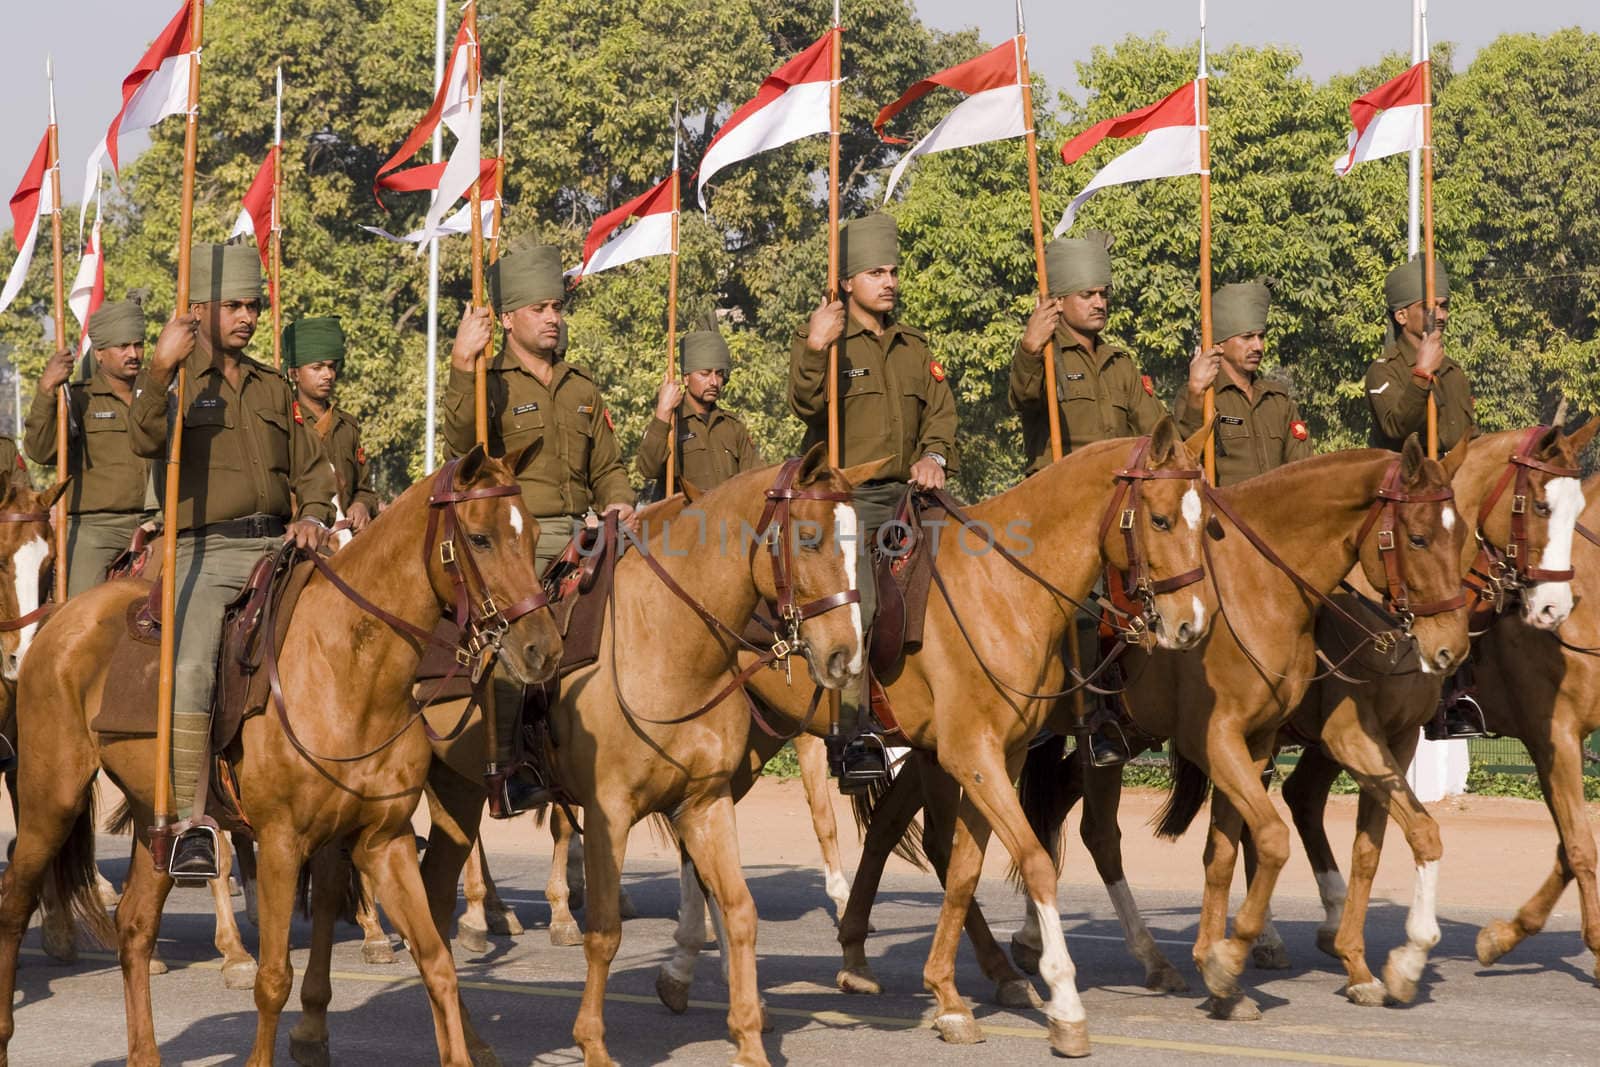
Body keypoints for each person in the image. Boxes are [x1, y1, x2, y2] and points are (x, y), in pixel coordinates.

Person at [128, 242, 335, 876]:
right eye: (234, 305)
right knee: (191, 668)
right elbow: (143, 439)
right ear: (198, 310)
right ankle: (188, 819)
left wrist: (314, 515)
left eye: (254, 305)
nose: (248, 316)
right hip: (206, 550)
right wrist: (160, 371)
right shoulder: (177, 381)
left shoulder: (275, 385)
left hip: (278, 543)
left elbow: (314, 472)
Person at [444, 237, 633, 817]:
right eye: (538, 309)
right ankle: (512, 762)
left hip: (590, 528)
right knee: (522, 628)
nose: (552, 317)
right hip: (523, 533)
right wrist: (459, 366)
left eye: (556, 307)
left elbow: (609, 466)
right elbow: (459, 450)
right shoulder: (486, 381)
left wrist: (620, 502)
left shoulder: (581, 386)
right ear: (505, 319)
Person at [789, 212, 957, 790]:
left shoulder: (915, 347)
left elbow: (940, 412)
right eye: (875, 273)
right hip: (848, 500)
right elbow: (805, 404)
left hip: (914, 494)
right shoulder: (827, 341)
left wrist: (934, 453)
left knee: (975, 570)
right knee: (857, 599)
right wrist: (815, 345)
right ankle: (854, 732)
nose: (889, 282)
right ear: (847, 282)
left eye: (892, 271)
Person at [1365, 257, 1483, 738]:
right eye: (1430, 305)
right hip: (1400, 504)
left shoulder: (1454, 373)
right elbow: (1394, 426)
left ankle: (1464, 693)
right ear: (1401, 315)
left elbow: (1466, 437)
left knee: (1489, 577)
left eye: (1445, 305)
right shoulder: (1383, 370)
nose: (1441, 313)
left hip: (1448, 501)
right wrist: (1420, 375)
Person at [24, 294, 156, 596]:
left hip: (160, 521)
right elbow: (41, 450)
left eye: (138, 344)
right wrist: (47, 389)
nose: (133, 353)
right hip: (98, 529)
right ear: (99, 353)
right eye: (123, 346)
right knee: (80, 612)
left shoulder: (157, 393)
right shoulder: (79, 399)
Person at [1009, 231, 1166, 473]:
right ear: (1058, 301)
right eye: (1087, 295)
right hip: (1060, 491)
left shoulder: (1119, 364)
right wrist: (1030, 349)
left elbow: (1157, 433)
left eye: (1104, 294)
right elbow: (1024, 399)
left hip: (1117, 491)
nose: (1099, 303)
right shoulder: (1047, 355)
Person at [1175, 277, 1312, 485]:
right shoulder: (1202, 396)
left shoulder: (1277, 400)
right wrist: (1196, 394)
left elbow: (1303, 466)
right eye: (1247, 337)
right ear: (1220, 344)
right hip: (1224, 514)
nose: (1258, 346)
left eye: (1261, 337)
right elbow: (1186, 458)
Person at [635, 313, 762, 492]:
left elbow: (754, 479)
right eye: (704, 373)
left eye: (719, 374)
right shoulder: (670, 423)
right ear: (686, 378)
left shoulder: (733, 427)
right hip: (684, 518)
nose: (713, 382)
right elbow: (647, 469)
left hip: (728, 518)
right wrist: (663, 412)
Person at [282, 317, 379, 531]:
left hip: (345, 540)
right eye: (317, 367)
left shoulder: (347, 426)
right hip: (295, 537)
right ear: (294, 373)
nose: (327, 375)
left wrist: (362, 504)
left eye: (331, 367)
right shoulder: (283, 422)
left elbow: (364, 489)